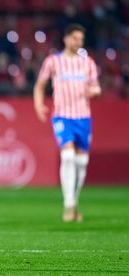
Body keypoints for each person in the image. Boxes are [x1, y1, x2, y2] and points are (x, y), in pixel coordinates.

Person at [33, 23, 101, 222]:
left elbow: (96, 87)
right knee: (69, 157)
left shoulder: (88, 63)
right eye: (75, 38)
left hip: (83, 117)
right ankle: (68, 204)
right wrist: (38, 105)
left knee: (82, 162)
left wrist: (93, 92)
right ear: (66, 39)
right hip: (62, 116)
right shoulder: (53, 61)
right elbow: (40, 85)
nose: (78, 42)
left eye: (81, 39)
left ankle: (74, 199)